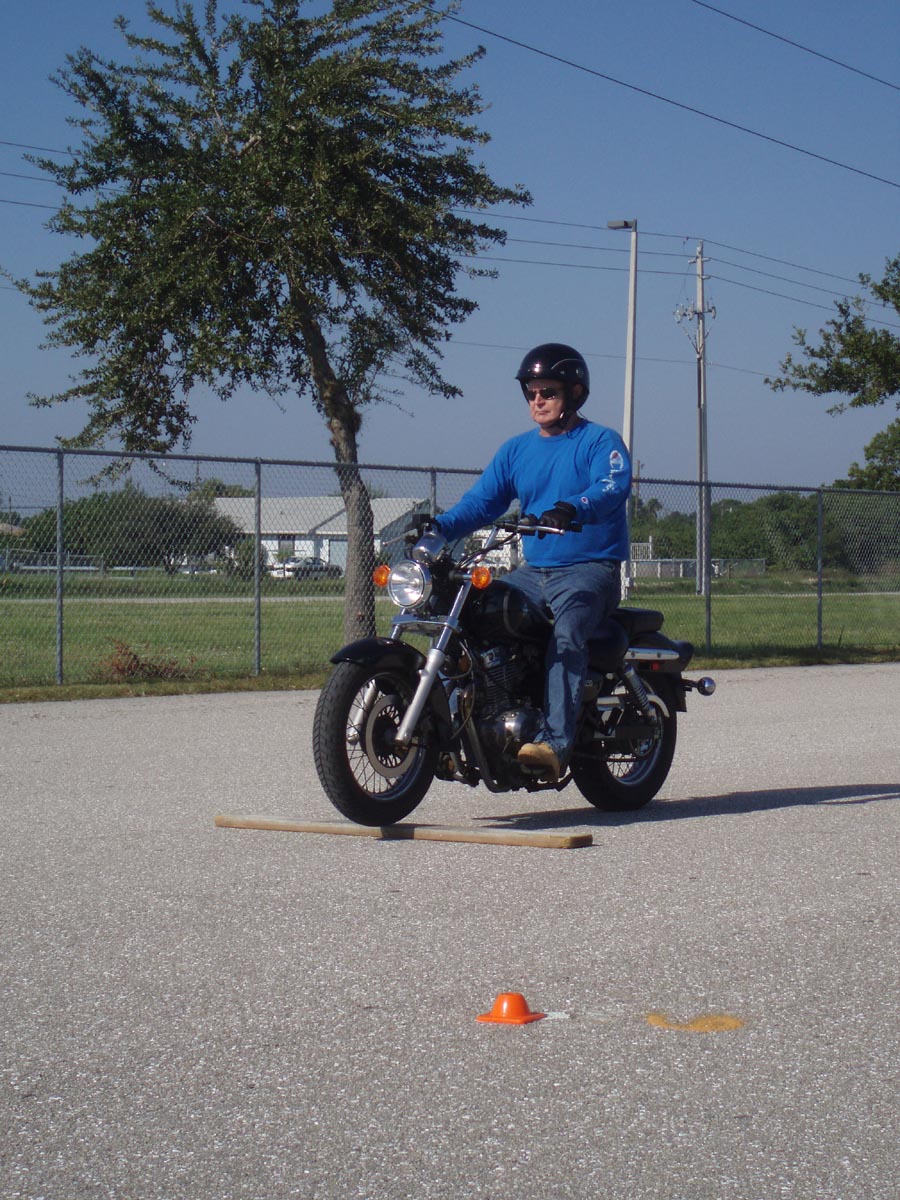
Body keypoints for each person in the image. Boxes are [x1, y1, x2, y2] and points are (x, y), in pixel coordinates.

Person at [434, 342, 632, 783]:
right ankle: (453, 729)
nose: (538, 400)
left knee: (567, 632)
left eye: (548, 392)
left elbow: (612, 486)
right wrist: (439, 528)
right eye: (531, 392)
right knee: (469, 614)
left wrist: (572, 507)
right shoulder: (516, 450)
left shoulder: (600, 441)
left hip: (590, 570)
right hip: (532, 573)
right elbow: (481, 502)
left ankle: (554, 743)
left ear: (574, 394)